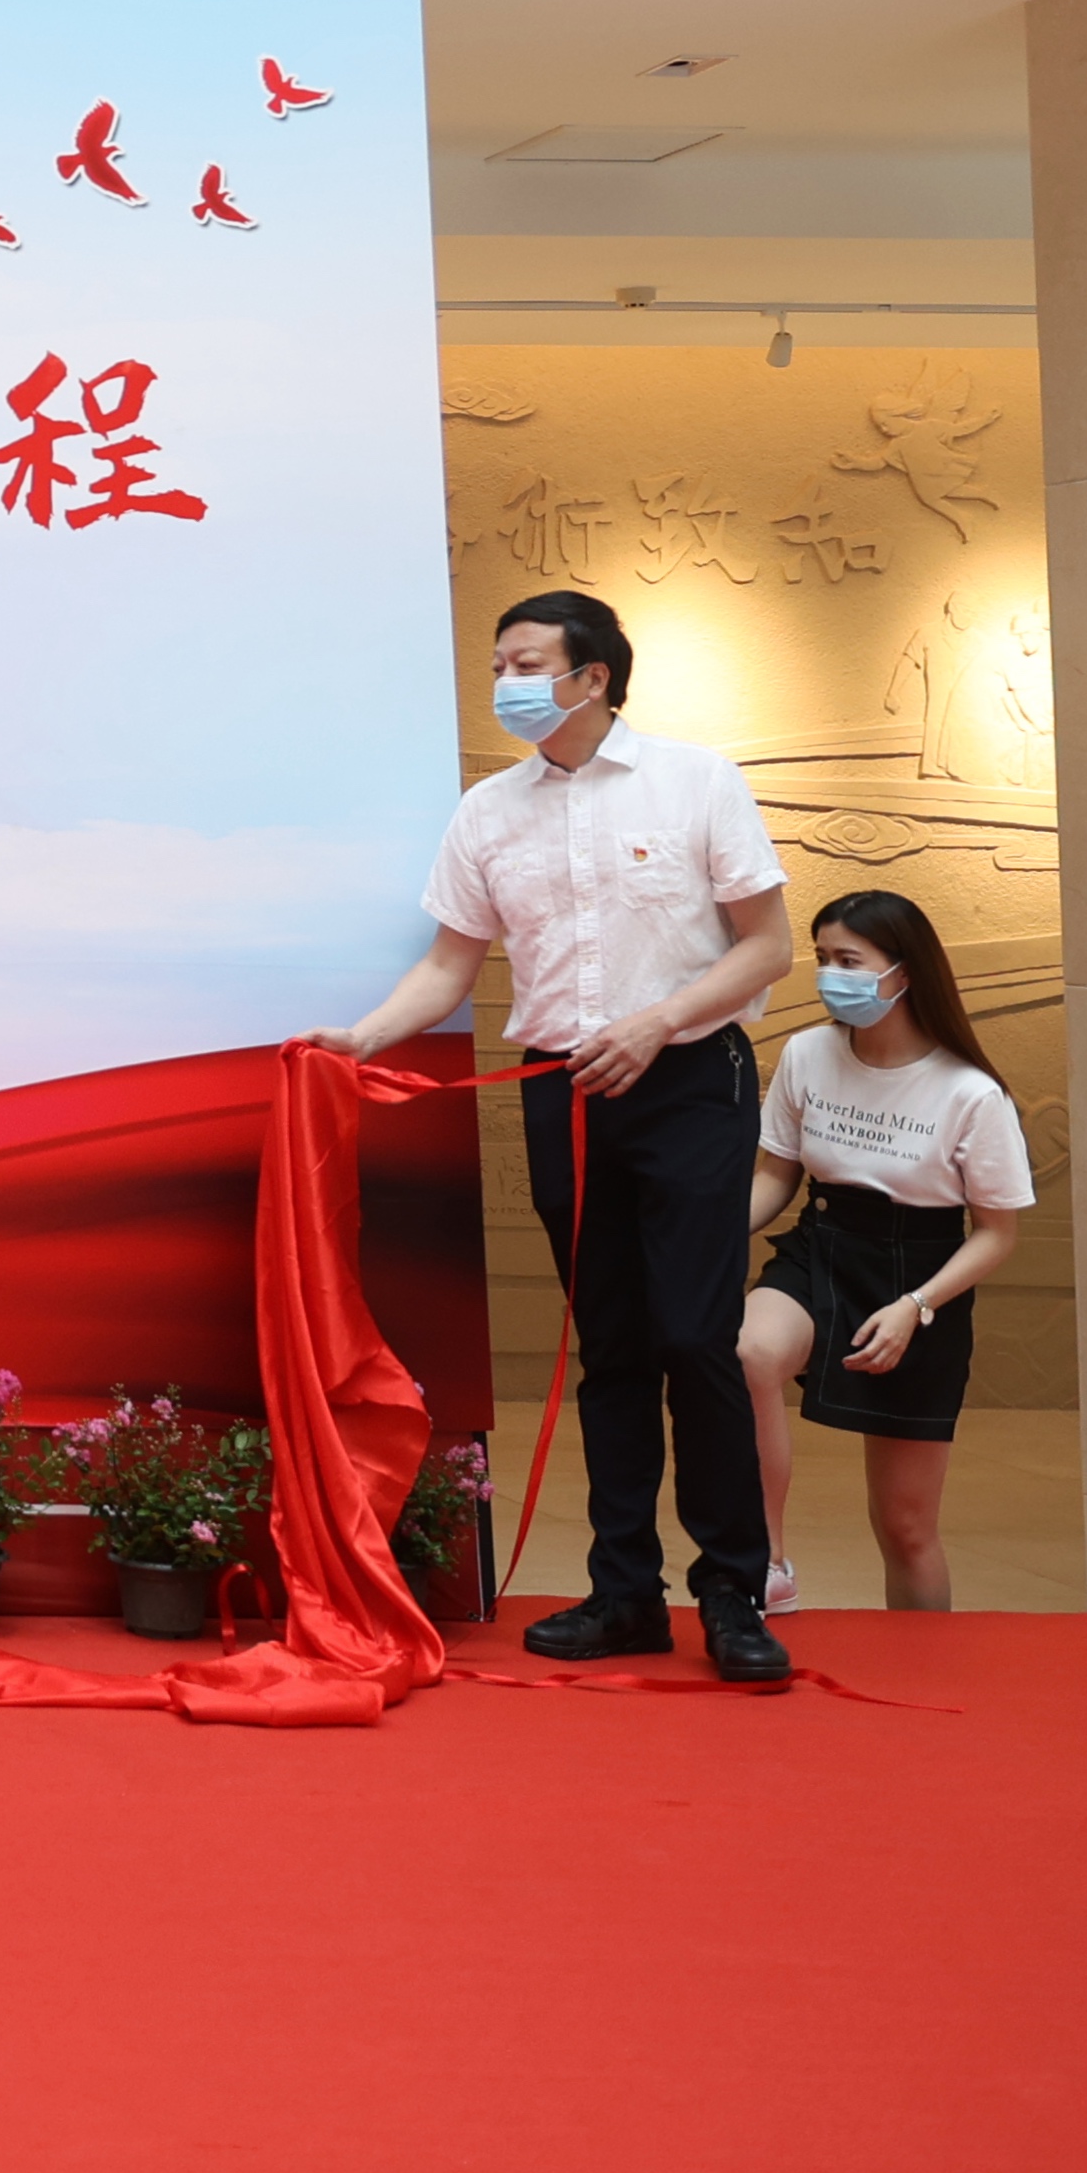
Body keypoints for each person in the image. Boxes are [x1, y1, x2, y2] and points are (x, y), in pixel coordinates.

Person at [302, 589, 799, 1680]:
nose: (507, 684)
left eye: (526, 664)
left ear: (593, 676)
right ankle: (624, 1593)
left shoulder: (694, 780)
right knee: (609, 1344)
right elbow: (451, 963)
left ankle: (733, 1592)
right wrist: (360, 1038)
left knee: (694, 1338)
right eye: (497, 666)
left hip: (688, 1081)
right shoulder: (489, 811)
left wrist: (658, 1020)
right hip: (564, 1091)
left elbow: (768, 948)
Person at [742, 887, 1034, 1613]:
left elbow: (996, 1233)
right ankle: (765, 1562)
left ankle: (924, 1661)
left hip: (921, 1273)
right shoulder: (807, 1052)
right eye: (822, 958)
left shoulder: (972, 1093)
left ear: (904, 971)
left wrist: (916, 1306)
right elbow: (776, 1174)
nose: (830, 976)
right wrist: (704, 1237)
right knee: (749, 1351)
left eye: (849, 961)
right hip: (822, 1242)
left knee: (905, 1528)